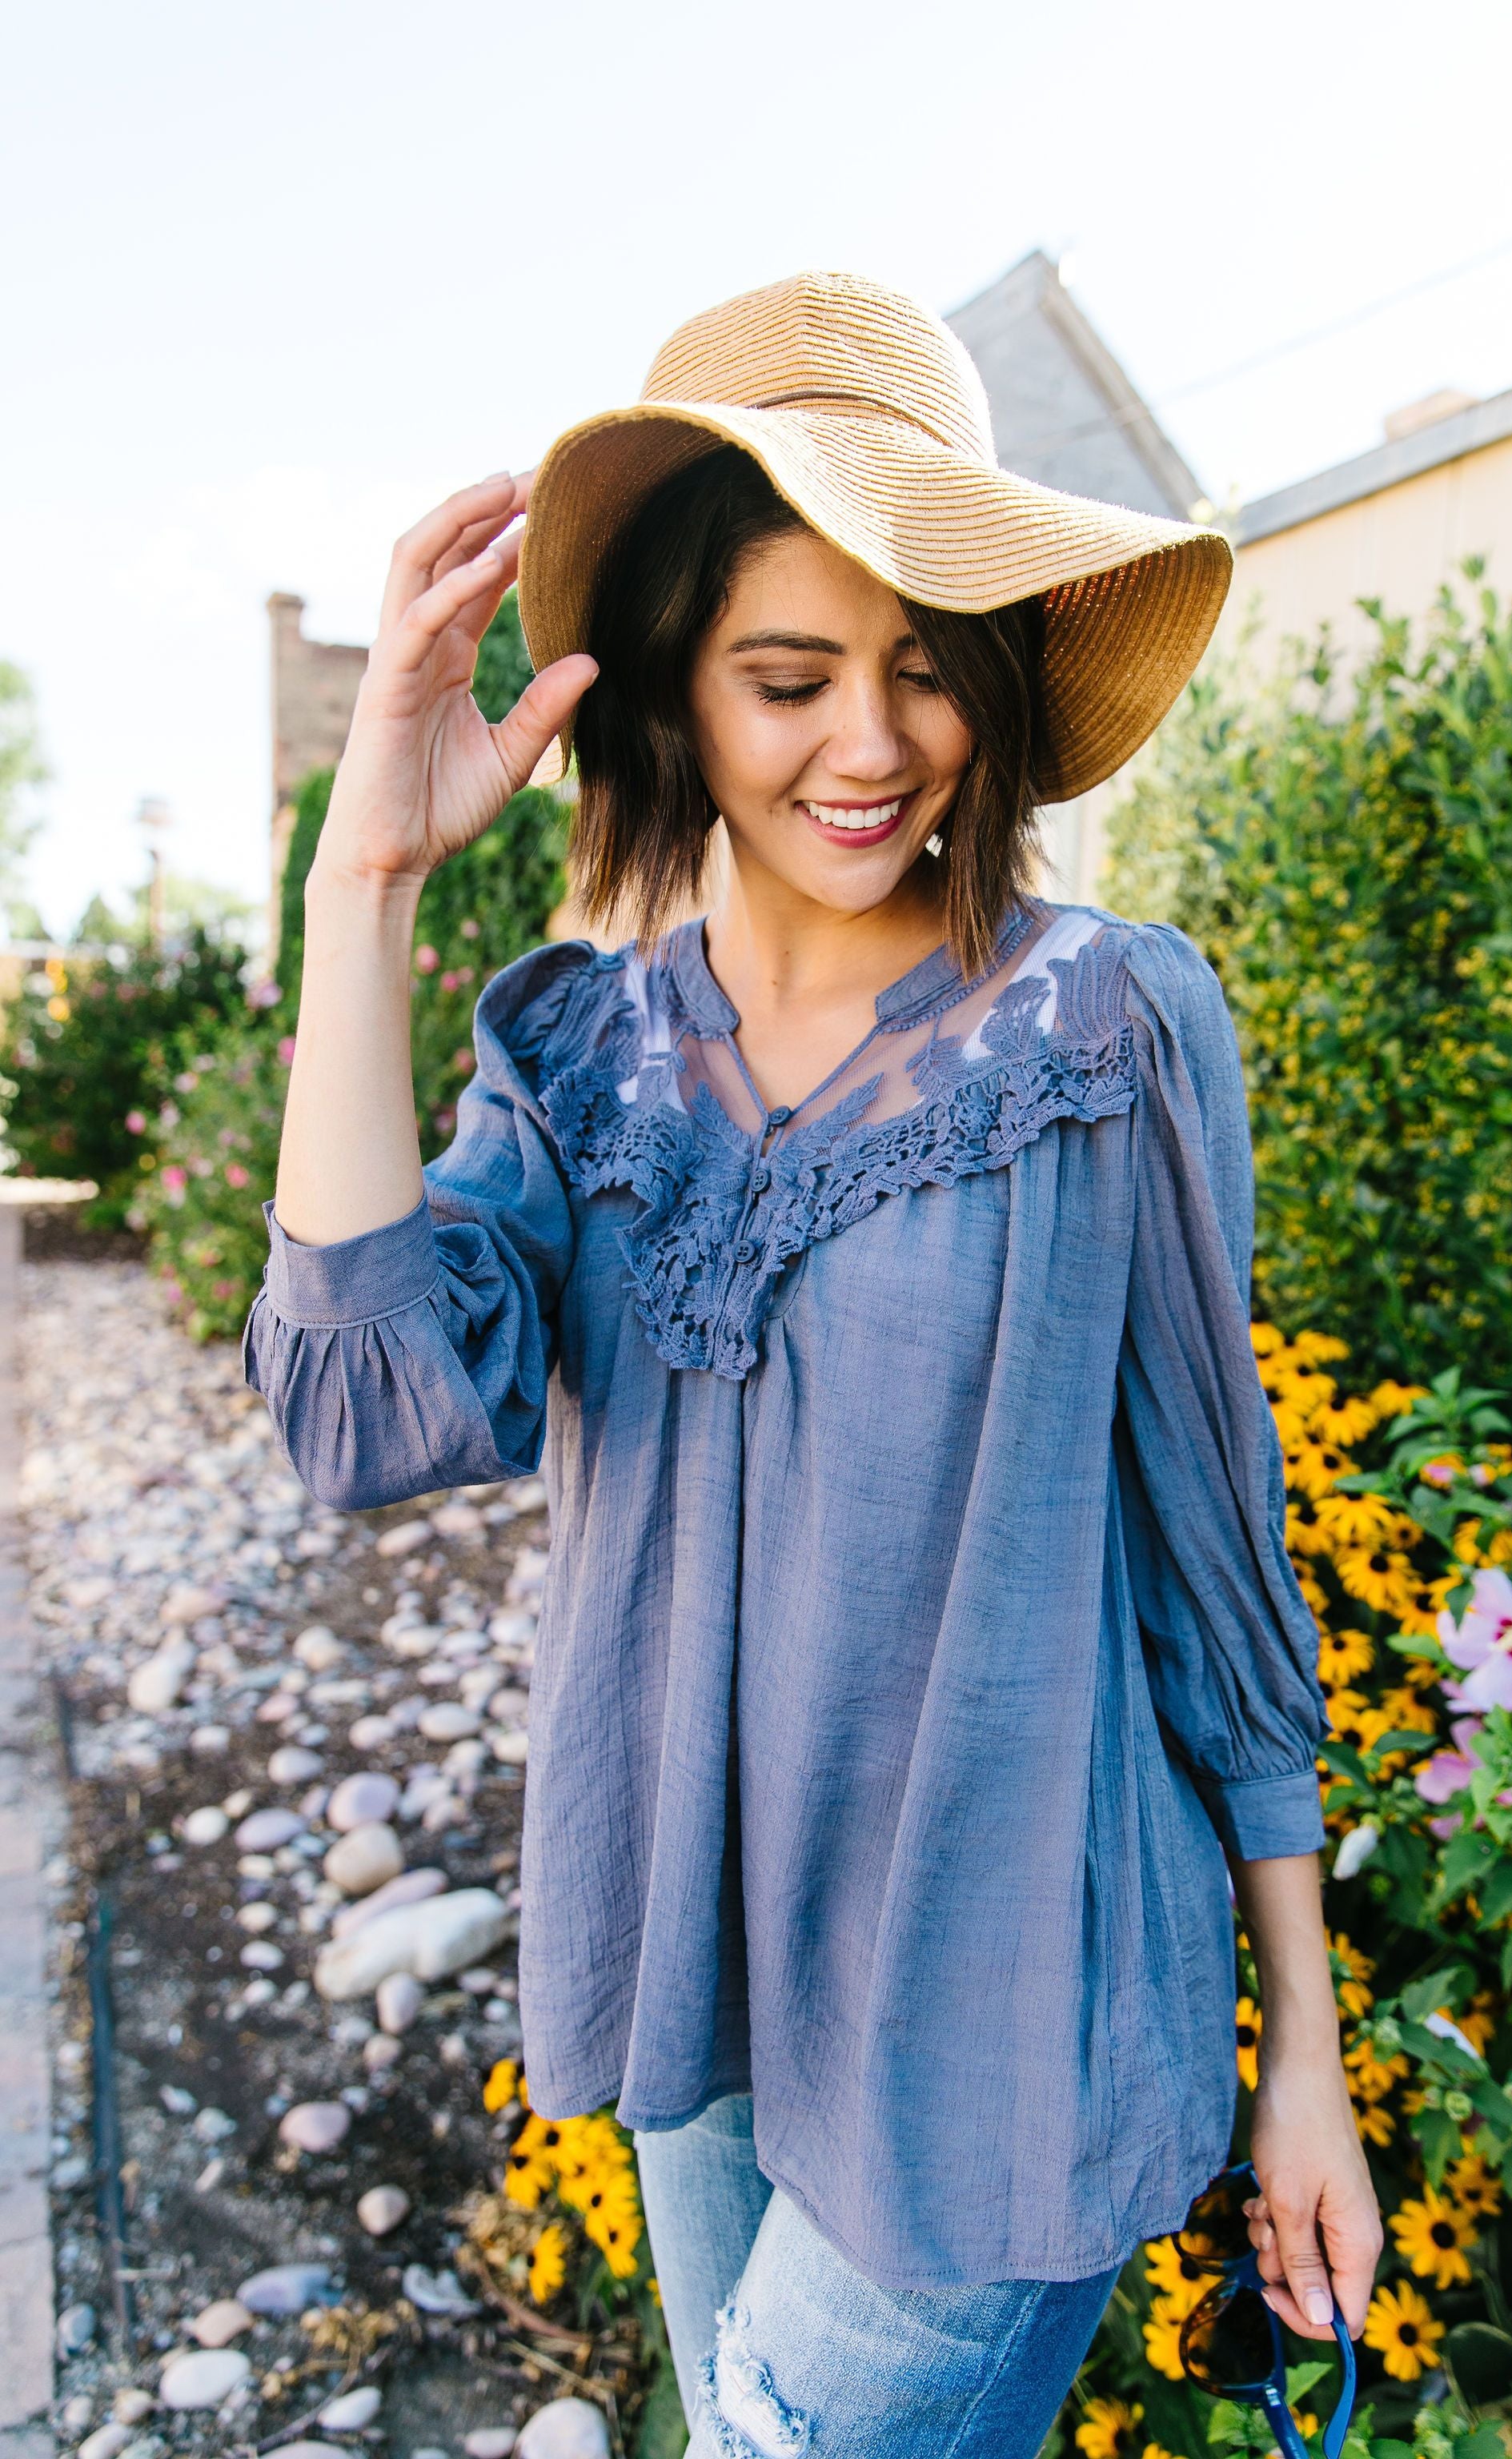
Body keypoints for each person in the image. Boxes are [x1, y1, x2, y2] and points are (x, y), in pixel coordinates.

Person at [248, 271, 1382, 2457]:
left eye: (928, 667)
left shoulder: (1105, 1025)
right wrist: (365, 877)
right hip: (711, 2002)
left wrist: (1305, 2061)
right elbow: (364, 1407)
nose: (872, 746)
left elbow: (1212, 1552)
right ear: (674, 693)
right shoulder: (579, 1059)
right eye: (789, 679)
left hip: (1010, 2024)